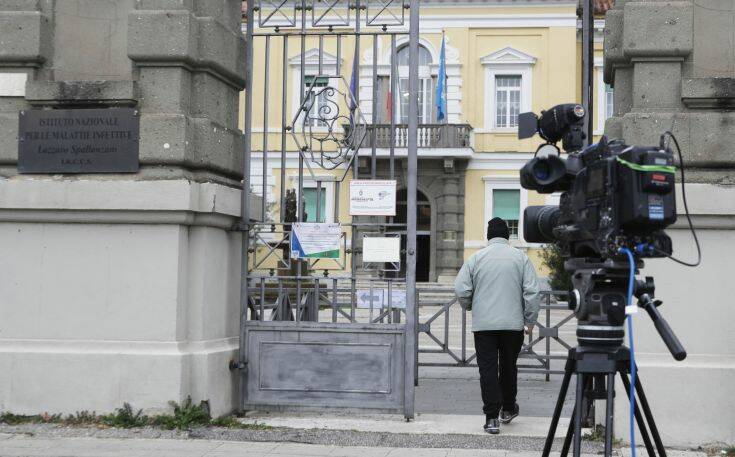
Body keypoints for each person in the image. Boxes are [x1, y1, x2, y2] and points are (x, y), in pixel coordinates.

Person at [454, 217, 540, 434]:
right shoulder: (520, 258)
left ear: (488, 235)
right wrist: (530, 320)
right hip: (513, 324)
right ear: (508, 236)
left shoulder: (476, 258)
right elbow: (532, 292)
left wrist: (471, 305)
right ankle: (508, 409)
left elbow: (461, 289)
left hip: (484, 326)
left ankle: (491, 418)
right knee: (509, 366)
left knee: (488, 369)